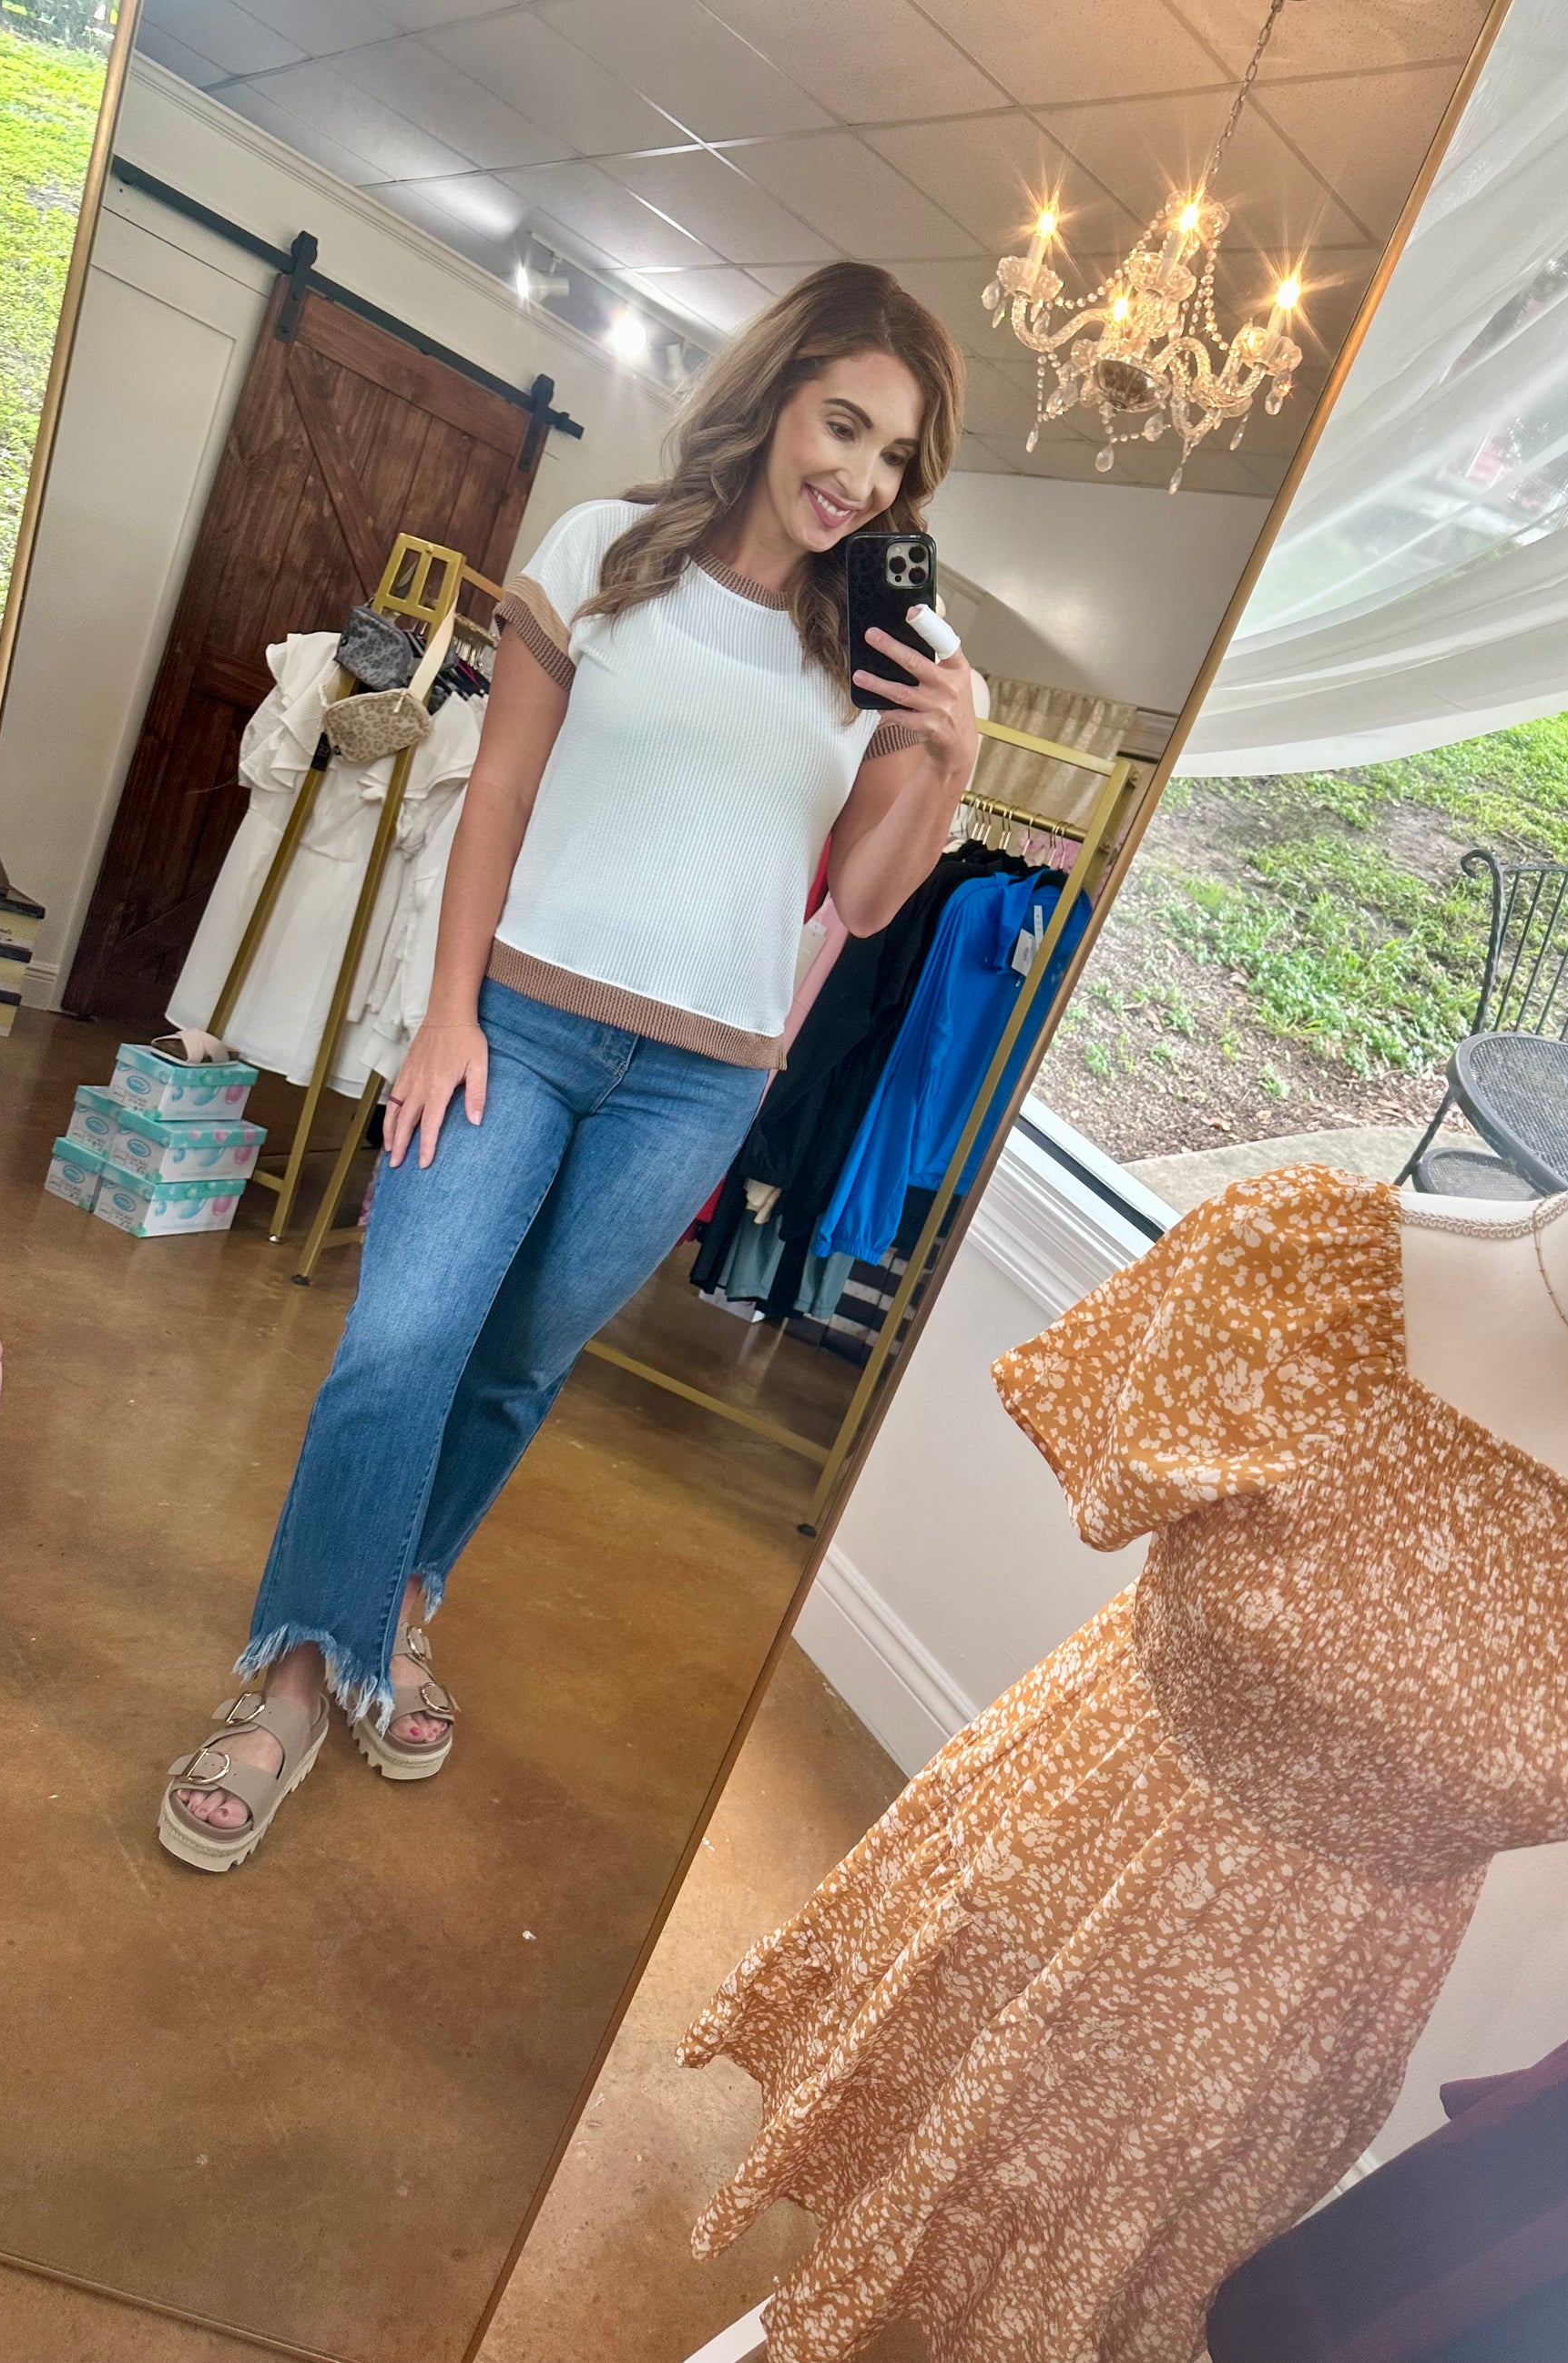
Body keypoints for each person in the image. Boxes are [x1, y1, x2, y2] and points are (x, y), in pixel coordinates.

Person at [158, 261, 976, 1870]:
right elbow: (499, 795)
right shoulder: (602, 551)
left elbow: (871, 903)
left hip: (699, 1082)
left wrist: (947, 756)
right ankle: (298, 1679)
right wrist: (446, 1012)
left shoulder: (888, 651)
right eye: (842, 425)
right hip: (513, 1031)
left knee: (519, 1364)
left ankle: (400, 1610)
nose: (861, 479)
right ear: (774, 395)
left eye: (896, 457)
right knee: (401, 1341)